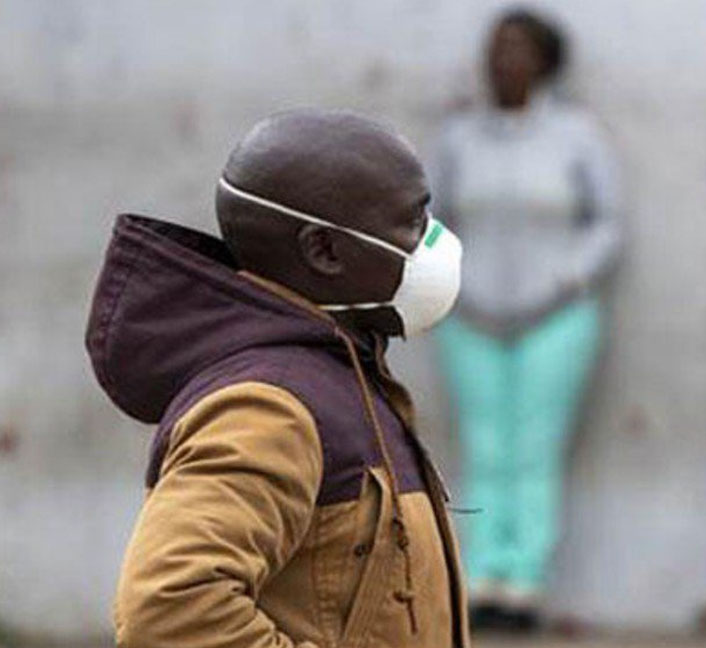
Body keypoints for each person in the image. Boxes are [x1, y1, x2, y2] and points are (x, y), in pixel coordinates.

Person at [85, 109, 470, 648]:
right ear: (325, 250)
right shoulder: (269, 407)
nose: (433, 242)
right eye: (412, 222)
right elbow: (169, 609)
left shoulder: (342, 372)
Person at [430, 8, 623, 632]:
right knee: (485, 447)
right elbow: (430, 218)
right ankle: (481, 578)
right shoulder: (459, 136)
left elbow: (607, 221)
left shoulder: (577, 134)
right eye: (494, 49)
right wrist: (454, 285)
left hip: (557, 317)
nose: (501, 61)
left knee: (534, 449)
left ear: (544, 61)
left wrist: (568, 279)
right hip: (471, 316)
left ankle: (524, 583)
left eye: (515, 50)